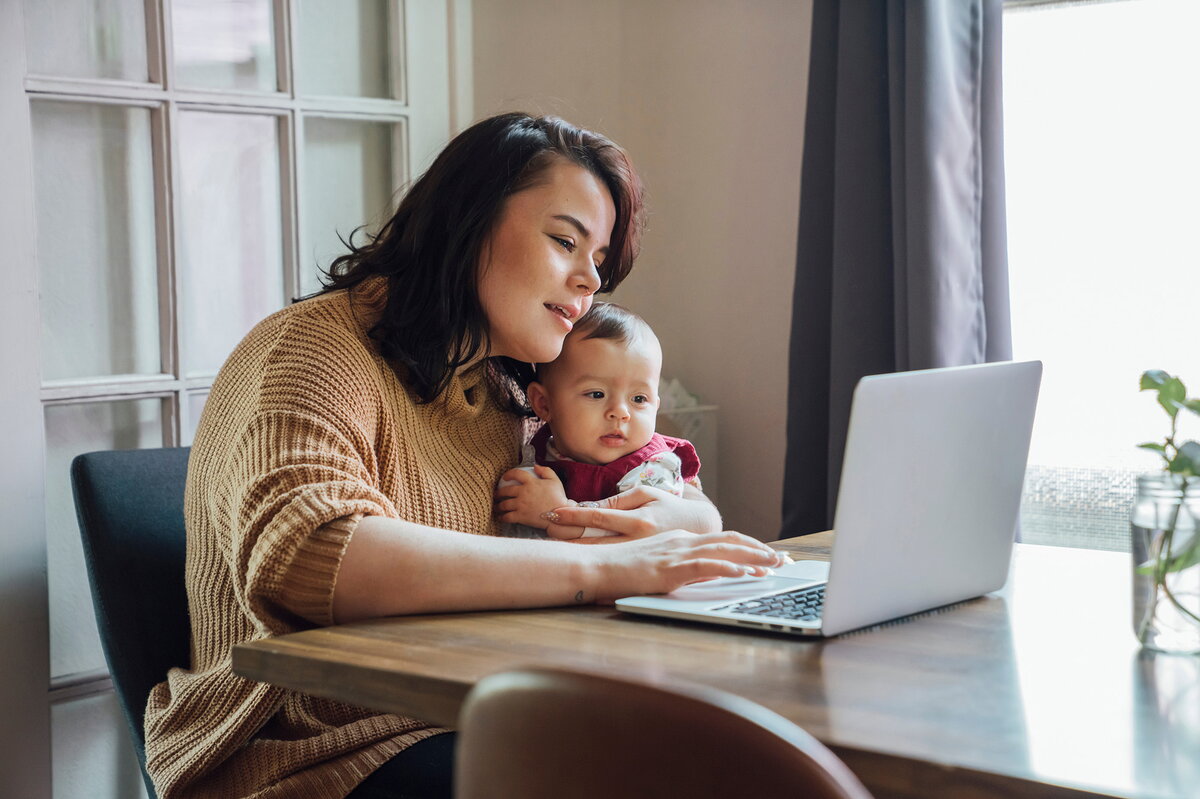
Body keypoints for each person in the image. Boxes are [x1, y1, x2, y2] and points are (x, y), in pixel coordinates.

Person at [142, 112, 786, 799]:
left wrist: (676, 522)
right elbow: (315, 554)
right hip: (309, 751)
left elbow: (684, 502)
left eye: (597, 261)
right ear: (468, 223)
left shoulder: (503, 391)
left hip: (467, 708)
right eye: (565, 241)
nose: (588, 281)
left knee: (724, 756)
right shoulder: (313, 351)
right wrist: (604, 563)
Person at [496, 301, 701, 540]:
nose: (620, 412)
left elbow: (641, 534)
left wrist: (556, 513)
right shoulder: (539, 455)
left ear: (655, 406)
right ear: (544, 403)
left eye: (638, 398)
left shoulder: (651, 470)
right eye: (596, 394)